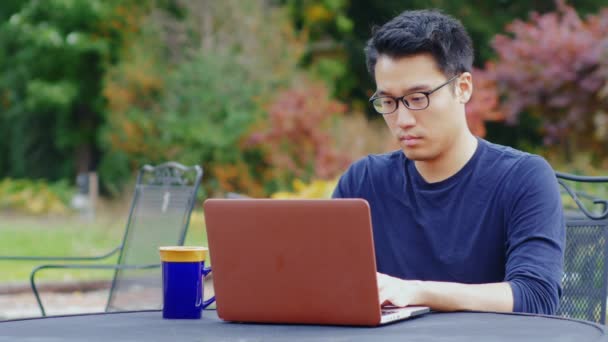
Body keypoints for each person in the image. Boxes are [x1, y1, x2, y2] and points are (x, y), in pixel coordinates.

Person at [332, 9, 564, 315]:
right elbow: (326, 284)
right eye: (388, 102)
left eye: (418, 98)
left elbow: (536, 297)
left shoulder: (523, 178)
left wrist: (415, 291)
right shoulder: (364, 182)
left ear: (463, 87)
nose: (402, 119)